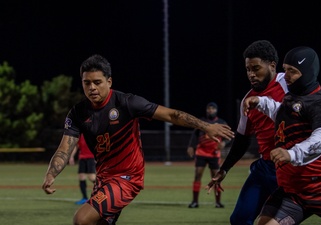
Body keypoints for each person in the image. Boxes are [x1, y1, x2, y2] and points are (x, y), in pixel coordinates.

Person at [41, 54, 234, 225]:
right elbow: (64, 148)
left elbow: (171, 115)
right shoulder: (77, 113)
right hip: (104, 178)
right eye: (87, 83)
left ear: (109, 81)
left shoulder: (127, 103)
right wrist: (51, 174)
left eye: (97, 82)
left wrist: (206, 126)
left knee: (81, 219)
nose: (92, 87)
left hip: (127, 177)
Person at [243, 46, 321, 225]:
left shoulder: (320, 102)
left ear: (307, 72)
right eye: (286, 68)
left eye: (293, 71)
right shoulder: (293, 96)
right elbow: (283, 115)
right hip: (293, 190)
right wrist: (261, 102)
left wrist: (291, 153)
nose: (286, 75)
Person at [206, 40, 288, 224]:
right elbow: (242, 139)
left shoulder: (288, 84)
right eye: (248, 69)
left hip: (290, 168)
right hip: (265, 167)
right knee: (239, 219)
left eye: (256, 68)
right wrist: (224, 169)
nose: (251, 74)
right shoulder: (247, 100)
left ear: (272, 65)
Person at [187, 102, 229, 208]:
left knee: (216, 178)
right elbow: (195, 135)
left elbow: (230, 135)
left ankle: (218, 202)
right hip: (201, 153)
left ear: (216, 110)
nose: (210, 111)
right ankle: (195, 202)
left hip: (214, 154)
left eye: (213, 109)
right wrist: (191, 146)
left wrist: (224, 143)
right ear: (206, 110)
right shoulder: (202, 122)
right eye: (209, 109)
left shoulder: (221, 122)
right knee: (197, 176)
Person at [69, 133, 96, 205]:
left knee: (92, 177)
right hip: (82, 158)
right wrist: (71, 157)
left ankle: (104, 189)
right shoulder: (80, 134)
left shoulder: (92, 133)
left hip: (91, 157)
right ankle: (84, 198)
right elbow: (76, 146)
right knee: (81, 177)